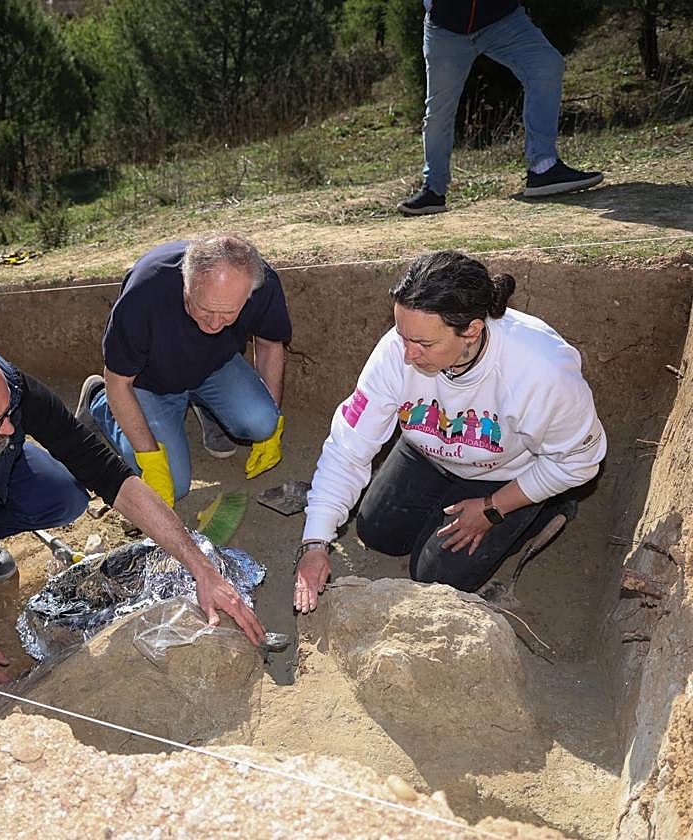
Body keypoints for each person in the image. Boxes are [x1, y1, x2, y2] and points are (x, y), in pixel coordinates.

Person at [0, 343, 265, 686]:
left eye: (9, 417)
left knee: (65, 496)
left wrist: (201, 568)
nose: (8, 430)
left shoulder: (6, 387)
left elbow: (108, 474)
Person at [293, 250, 606, 613]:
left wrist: (493, 508)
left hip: (506, 473)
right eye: (402, 336)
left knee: (435, 577)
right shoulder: (397, 351)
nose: (408, 355)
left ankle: (545, 507)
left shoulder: (541, 371)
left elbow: (581, 462)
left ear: (471, 329)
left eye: (424, 344)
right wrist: (314, 543)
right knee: (378, 532)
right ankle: (452, 497)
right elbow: (347, 448)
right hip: (429, 451)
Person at [75, 235, 291, 506]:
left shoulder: (261, 282)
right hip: (148, 381)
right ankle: (99, 401)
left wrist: (272, 427)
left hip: (215, 365)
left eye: (228, 314)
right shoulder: (145, 291)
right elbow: (118, 381)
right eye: (204, 309)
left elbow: (270, 345)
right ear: (186, 285)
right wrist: (151, 459)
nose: (214, 324)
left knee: (262, 421)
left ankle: (208, 407)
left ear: (248, 294)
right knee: (174, 486)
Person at [397, 0, 603, 216]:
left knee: (546, 64)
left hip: (503, 20)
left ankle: (543, 167)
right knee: (439, 112)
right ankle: (433, 191)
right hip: (446, 28)